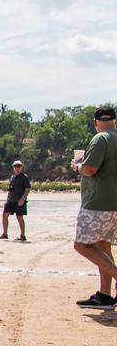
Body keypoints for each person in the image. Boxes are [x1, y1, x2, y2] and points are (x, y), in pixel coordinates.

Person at [73, 107, 117, 310]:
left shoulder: (101, 139)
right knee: (103, 246)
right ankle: (105, 295)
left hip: (98, 201)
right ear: (114, 121)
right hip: (114, 203)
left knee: (82, 245)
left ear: (95, 122)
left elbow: (90, 170)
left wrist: (77, 166)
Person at [0, 160, 30, 241]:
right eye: (15, 166)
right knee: (4, 215)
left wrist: (23, 199)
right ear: (13, 167)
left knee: (19, 217)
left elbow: (28, 189)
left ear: (21, 167)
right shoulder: (12, 177)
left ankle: (22, 235)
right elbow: (10, 189)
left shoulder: (24, 177)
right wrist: (7, 199)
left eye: (19, 166)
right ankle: (5, 234)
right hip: (11, 200)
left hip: (19, 200)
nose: (17, 168)